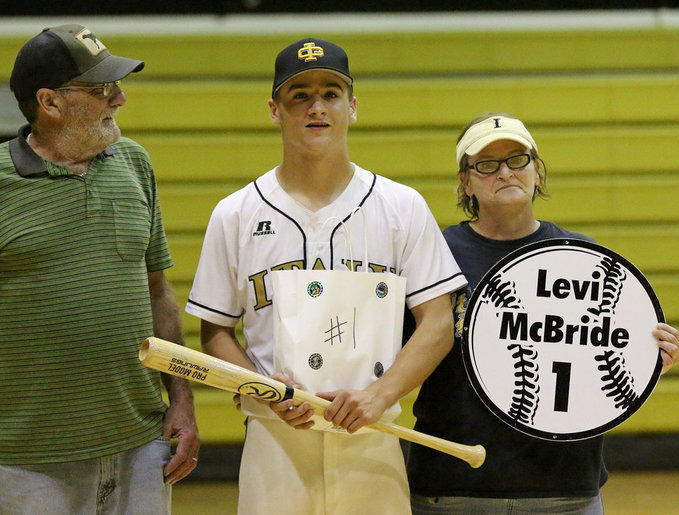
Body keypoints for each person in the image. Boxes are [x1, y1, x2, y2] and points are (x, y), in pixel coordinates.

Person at [0, 24, 199, 513]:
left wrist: (182, 403)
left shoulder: (134, 163)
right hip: (35, 461)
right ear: (50, 103)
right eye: (103, 89)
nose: (119, 99)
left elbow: (157, 292)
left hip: (144, 446)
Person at [184, 37, 467, 515]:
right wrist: (263, 390)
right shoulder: (235, 214)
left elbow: (438, 322)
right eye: (300, 95)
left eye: (331, 93)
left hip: (372, 436)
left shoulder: (400, 206)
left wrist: (380, 395)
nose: (317, 107)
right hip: (275, 438)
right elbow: (214, 331)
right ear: (275, 110)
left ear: (352, 107)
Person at [406, 112, 679, 514]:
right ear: (465, 181)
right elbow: (397, 356)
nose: (505, 172)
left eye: (517, 160)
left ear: (537, 172)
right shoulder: (435, 256)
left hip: (564, 489)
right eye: (486, 164)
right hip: (454, 486)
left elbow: (600, 362)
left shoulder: (584, 259)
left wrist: (650, 359)